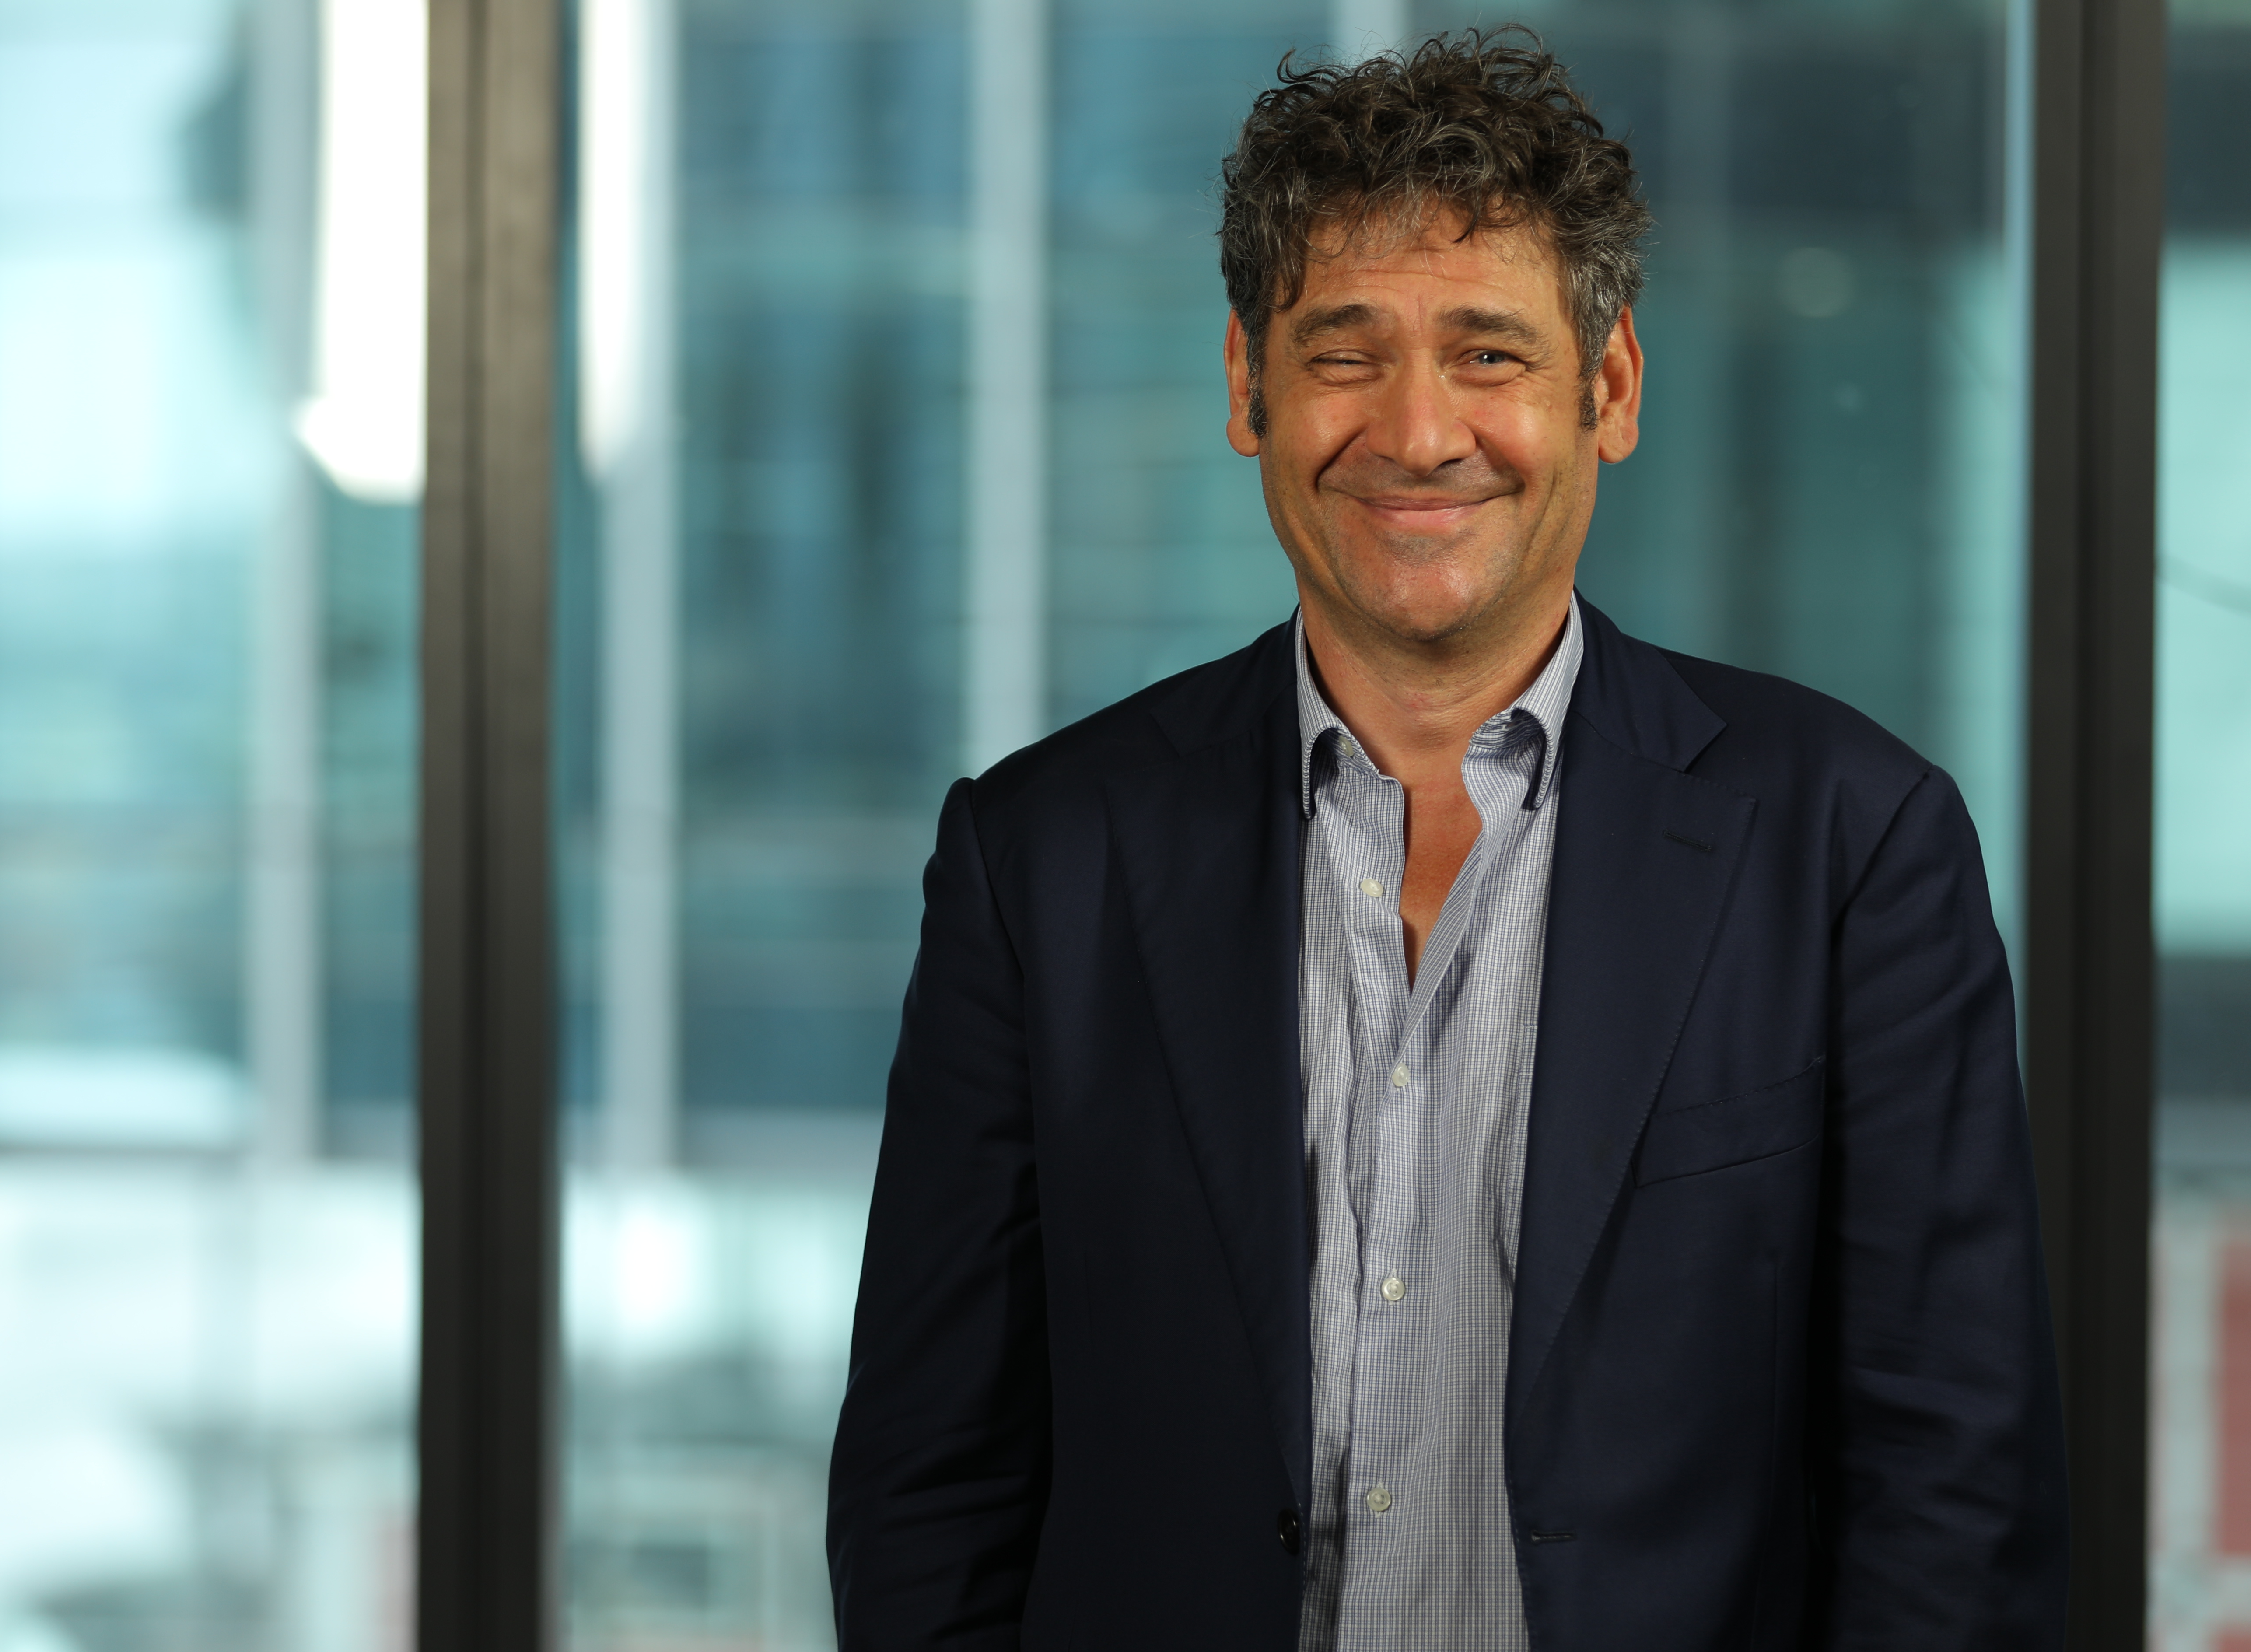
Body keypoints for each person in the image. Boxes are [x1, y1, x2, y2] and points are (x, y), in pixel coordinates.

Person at [826, 28, 2066, 1651]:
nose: (1418, 433)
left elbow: (1954, 1493)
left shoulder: (1855, 849)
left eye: (1489, 353)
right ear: (1247, 386)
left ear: (1609, 389)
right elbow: (930, 1487)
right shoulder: (1038, 861)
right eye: (1345, 353)